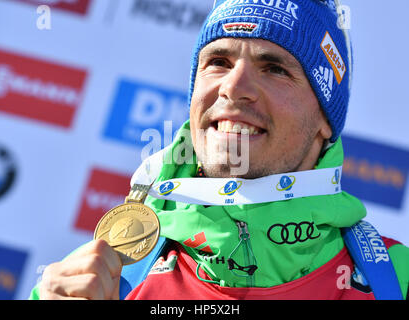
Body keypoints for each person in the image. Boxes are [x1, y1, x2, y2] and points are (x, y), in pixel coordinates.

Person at [30, 0, 409, 300]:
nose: (233, 85)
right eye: (218, 63)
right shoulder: (97, 277)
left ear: (325, 118)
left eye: (274, 69)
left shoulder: (395, 280)